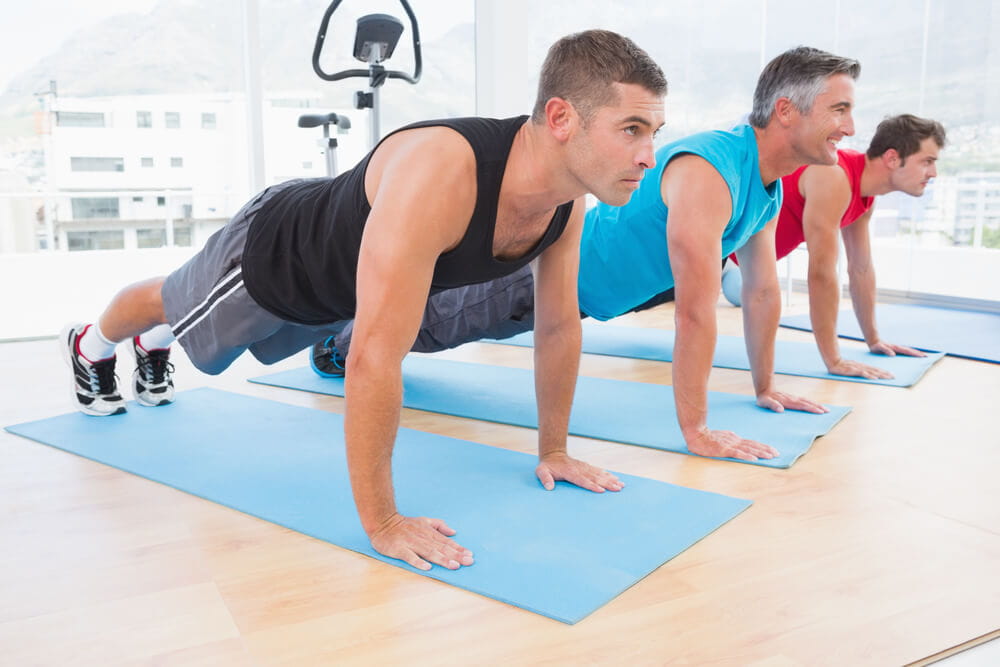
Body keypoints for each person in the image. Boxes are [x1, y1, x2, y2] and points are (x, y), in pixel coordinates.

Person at [59, 29, 668, 571]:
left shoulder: (565, 203)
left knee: (203, 330)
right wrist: (383, 522)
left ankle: (157, 338)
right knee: (175, 308)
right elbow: (374, 357)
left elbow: (558, 327)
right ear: (561, 117)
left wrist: (555, 451)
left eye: (653, 133)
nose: (647, 155)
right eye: (631, 130)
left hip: (339, 295)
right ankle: (93, 345)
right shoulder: (444, 171)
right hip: (276, 258)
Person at [312, 46, 861, 462]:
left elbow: (762, 289)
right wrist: (696, 430)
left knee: (442, 326)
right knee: (427, 328)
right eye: (839, 109)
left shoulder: (766, 187)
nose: (850, 126)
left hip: (583, 300)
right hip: (538, 275)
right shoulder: (712, 171)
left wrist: (765, 388)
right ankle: (334, 349)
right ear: (787, 112)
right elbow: (695, 313)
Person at [723, 114, 946, 380]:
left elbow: (860, 268)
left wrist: (874, 340)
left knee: (735, 290)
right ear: (892, 158)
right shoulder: (833, 176)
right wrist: (834, 360)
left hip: (735, 264)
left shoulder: (865, 196)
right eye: (927, 161)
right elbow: (821, 273)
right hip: (714, 255)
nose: (933, 173)